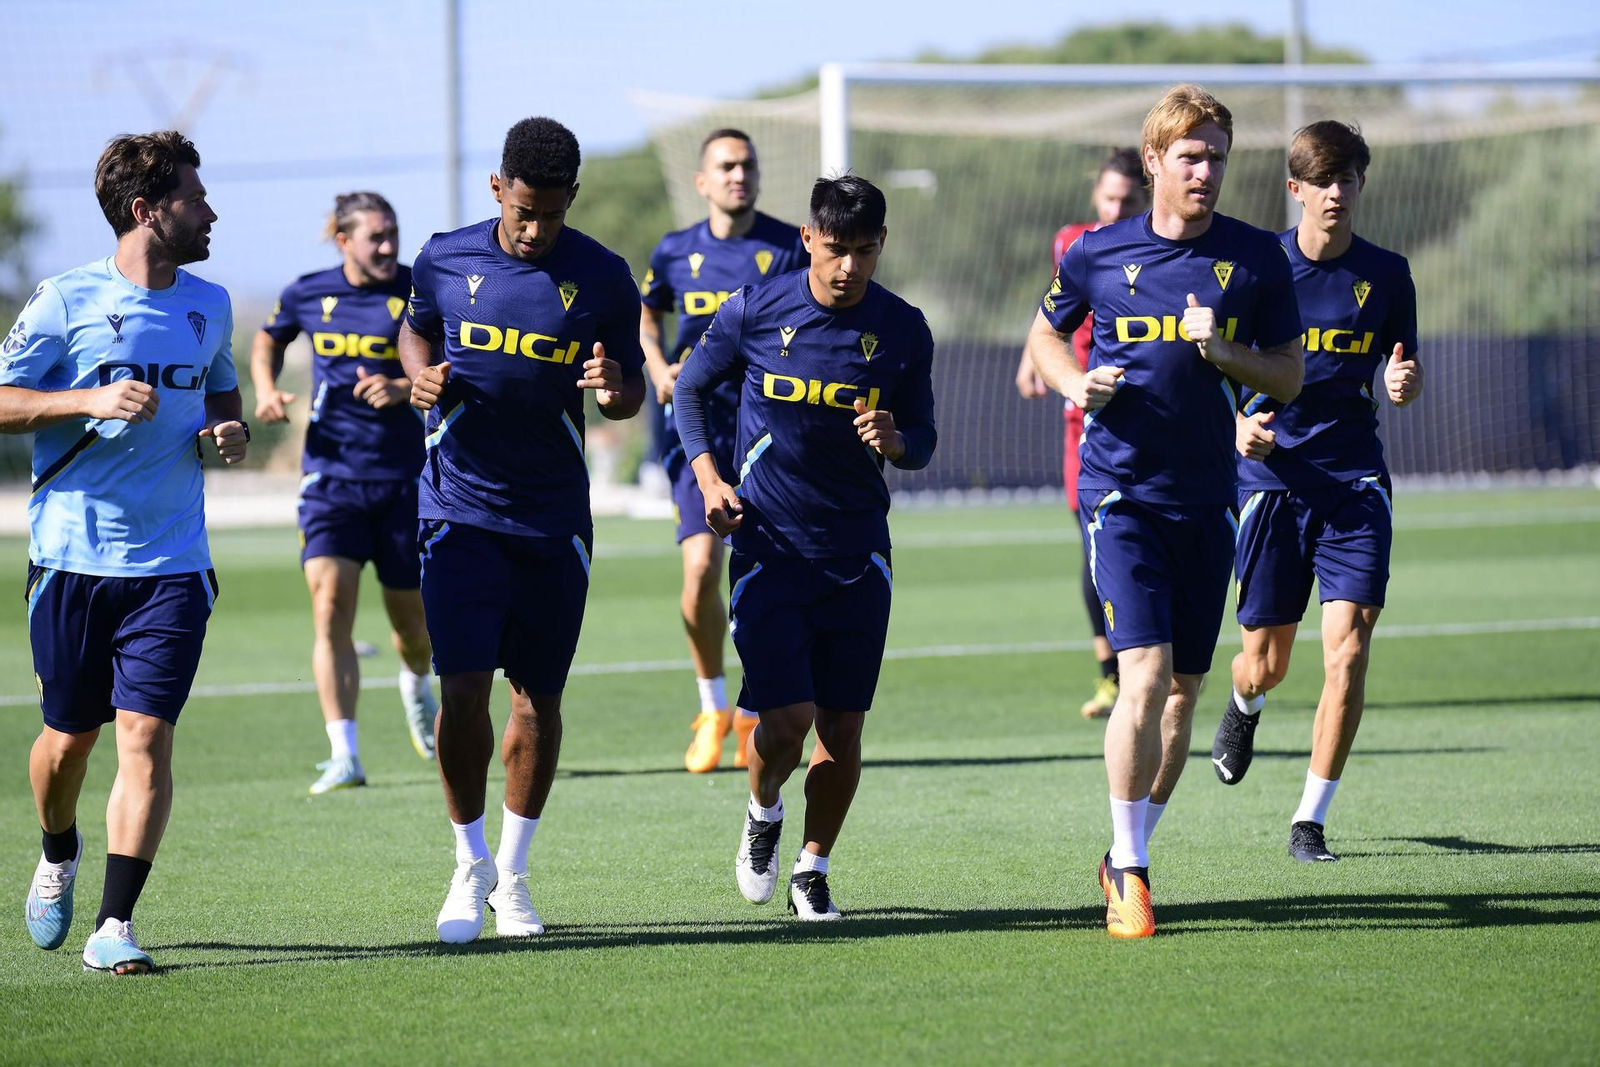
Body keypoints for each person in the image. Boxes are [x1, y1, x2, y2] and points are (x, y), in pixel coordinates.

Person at [1023, 84, 1304, 938]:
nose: (1206, 171)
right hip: (1119, 494)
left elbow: (1289, 373)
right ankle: (1132, 872)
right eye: (1190, 156)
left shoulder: (1256, 258)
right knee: (1142, 676)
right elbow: (1043, 334)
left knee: (1182, 693)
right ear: (1153, 161)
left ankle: (1127, 848)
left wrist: (1222, 350)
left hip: (1209, 499)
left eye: (1217, 156)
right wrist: (1075, 382)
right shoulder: (1097, 253)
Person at [2, 131, 248, 974]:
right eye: (194, 198)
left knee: (145, 737)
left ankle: (114, 923)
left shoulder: (211, 304)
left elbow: (221, 388)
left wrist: (227, 427)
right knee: (67, 742)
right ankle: (57, 847)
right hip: (71, 560)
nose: (210, 212)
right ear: (146, 211)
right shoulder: (63, 300)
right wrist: (87, 399)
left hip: (172, 563)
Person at [398, 117, 646, 943]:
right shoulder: (444, 257)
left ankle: (513, 875)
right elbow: (414, 327)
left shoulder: (604, 276)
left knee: (537, 699)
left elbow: (631, 391)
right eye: (523, 211)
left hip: (552, 520)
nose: (535, 230)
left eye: (552, 213)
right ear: (497, 188)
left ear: (573, 197)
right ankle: (466, 864)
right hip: (456, 510)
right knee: (463, 689)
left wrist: (612, 386)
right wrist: (418, 375)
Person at [674, 175, 936, 921]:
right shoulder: (756, 308)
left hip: (858, 554)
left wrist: (898, 441)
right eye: (835, 248)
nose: (848, 266)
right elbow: (690, 389)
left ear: (881, 246)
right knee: (785, 721)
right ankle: (763, 811)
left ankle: (813, 867)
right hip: (768, 547)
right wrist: (709, 479)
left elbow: (923, 438)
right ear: (809, 239)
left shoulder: (904, 328)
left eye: (864, 250)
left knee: (842, 728)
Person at [1211, 121, 1422, 863]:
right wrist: (1239, 425)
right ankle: (1245, 701)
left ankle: (1310, 819)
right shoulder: (1255, 268)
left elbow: (1402, 370)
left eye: (1348, 178)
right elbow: (1214, 365)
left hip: (1354, 482)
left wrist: (1402, 384)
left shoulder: (1389, 274)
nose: (1337, 192)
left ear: (1362, 184)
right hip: (1271, 481)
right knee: (1266, 662)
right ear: (1295, 189)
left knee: (1349, 650)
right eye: (1322, 181)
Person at [250, 192, 438, 795]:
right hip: (330, 479)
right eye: (375, 236)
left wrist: (405, 388)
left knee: (413, 629)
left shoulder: (421, 289)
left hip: (407, 480)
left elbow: (450, 364)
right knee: (330, 607)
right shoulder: (308, 292)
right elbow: (268, 339)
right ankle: (344, 754)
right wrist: (266, 389)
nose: (387, 245)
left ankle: (415, 682)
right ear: (343, 241)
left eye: (393, 233)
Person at [640, 129, 809, 773]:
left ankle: (754, 709)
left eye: (748, 165)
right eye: (727, 166)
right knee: (700, 572)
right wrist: (658, 366)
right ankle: (711, 706)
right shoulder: (675, 251)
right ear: (702, 181)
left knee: (769, 580)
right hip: (698, 436)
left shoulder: (789, 247)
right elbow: (647, 315)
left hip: (766, 435)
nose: (740, 175)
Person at [1014, 147, 1148, 719]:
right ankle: (1112, 674)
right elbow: (1056, 304)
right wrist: (1033, 356)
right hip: (1085, 418)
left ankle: (1153, 662)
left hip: (1150, 416)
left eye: (1128, 200)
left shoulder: (1160, 249)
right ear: (1096, 195)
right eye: (1109, 198)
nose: (1116, 210)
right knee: (1095, 540)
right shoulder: (1075, 243)